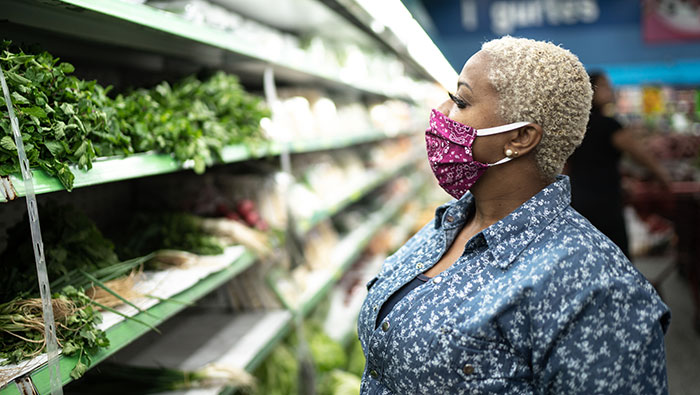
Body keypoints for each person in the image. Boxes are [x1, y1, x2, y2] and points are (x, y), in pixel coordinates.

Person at [357, 36, 670, 394]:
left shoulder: (595, 287)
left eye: (461, 100)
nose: (441, 111)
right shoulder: (446, 226)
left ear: (521, 137)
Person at [568, 72, 672, 259]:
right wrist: (663, 176)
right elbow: (640, 154)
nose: (611, 90)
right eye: (605, 86)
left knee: (588, 255)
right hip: (605, 200)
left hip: (579, 199)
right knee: (616, 255)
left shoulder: (573, 127)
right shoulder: (609, 125)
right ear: (591, 91)